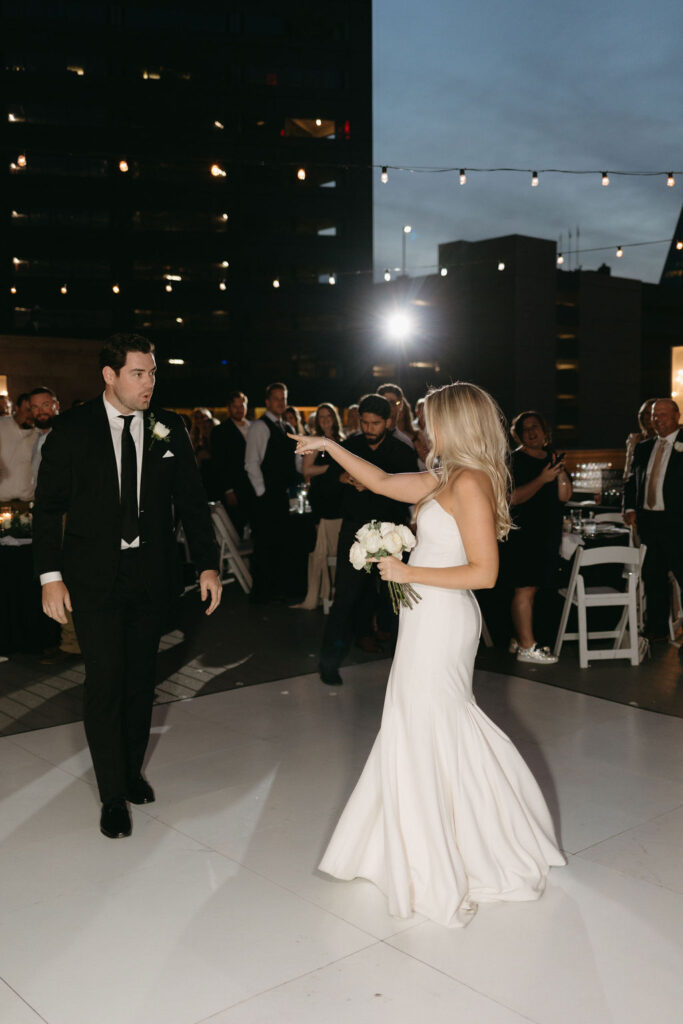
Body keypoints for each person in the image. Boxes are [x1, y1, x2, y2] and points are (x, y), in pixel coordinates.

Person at [293, 381, 565, 927]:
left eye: (428, 418)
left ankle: (460, 846)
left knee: (431, 723)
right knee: (418, 724)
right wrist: (329, 448)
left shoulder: (471, 482)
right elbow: (382, 479)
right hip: (425, 616)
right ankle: (432, 839)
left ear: (454, 423)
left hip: (444, 619)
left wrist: (406, 570)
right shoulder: (446, 476)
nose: (422, 427)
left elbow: (485, 573)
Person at [33, 333, 221, 840]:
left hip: (151, 578)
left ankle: (131, 771)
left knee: (140, 683)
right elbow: (47, 509)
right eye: (138, 373)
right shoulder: (71, 430)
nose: (149, 383)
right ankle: (112, 794)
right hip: (93, 580)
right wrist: (50, 577)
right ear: (109, 376)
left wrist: (207, 564)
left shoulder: (168, 428)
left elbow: (191, 499)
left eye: (153, 373)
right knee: (106, 682)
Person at [315, 394, 418, 683]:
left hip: (392, 532)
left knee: (398, 600)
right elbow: (323, 490)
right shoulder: (349, 447)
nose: (370, 428)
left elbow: (406, 495)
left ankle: (406, 665)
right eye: (365, 423)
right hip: (355, 530)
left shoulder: (402, 451)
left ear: (387, 422)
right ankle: (328, 664)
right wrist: (342, 479)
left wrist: (372, 487)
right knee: (345, 598)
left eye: (375, 423)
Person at [502, 411, 572, 663]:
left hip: (547, 534)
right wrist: (543, 479)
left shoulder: (552, 458)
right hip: (523, 534)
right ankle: (527, 647)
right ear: (518, 435)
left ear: (545, 431)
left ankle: (520, 638)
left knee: (539, 590)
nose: (531, 432)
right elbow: (511, 499)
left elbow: (564, 496)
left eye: (536, 427)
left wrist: (560, 472)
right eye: (525, 429)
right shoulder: (512, 460)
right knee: (525, 589)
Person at [623, 398, 683, 640]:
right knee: (653, 577)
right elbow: (631, 483)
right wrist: (629, 508)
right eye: (654, 416)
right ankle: (656, 630)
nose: (657, 419)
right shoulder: (644, 447)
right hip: (650, 522)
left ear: (677, 415)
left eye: (663, 415)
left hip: (678, 523)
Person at [244, 381, 298, 602]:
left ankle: (280, 589)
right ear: (267, 401)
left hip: (287, 496)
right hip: (268, 497)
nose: (280, 402)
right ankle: (263, 594)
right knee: (266, 546)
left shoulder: (288, 427)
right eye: (276, 398)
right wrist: (262, 494)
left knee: (283, 544)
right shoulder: (259, 426)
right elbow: (251, 463)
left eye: (283, 398)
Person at [292, 403, 345, 610]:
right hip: (323, 501)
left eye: (328, 416)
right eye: (320, 417)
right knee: (321, 551)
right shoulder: (314, 442)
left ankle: (334, 593)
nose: (324, 420)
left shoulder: (343, 440)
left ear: (334, 418)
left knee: (339, 551)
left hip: (341, 501)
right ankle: (319, 595)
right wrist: (332, 469)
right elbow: (307, 470)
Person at [210, 390, 253, 536]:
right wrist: (228, 490)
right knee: (237, 528)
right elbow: (219, 463)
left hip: (256, 486)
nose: (239, 409)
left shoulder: (255, 427)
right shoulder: (220, 431)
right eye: (235, 406)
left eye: (242, 405)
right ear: (229, 407)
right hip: (236, 487)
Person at [0, 392, 38, 509]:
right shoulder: (2, 425)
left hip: (29, 502)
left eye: (33, 410)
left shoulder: (39, 432)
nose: (31, 415)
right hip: (2, 501)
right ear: (16, 409)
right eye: (27, 410)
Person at [624, 398, 657, 481]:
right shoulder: (633, 439)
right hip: (635, 482)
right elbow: (628, 467)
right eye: (647, 413)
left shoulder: (663, 441)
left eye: (652, 414)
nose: (649, 417)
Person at [377, 382, 415, 447]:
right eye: (385, 402)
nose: (388, 406)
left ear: (401, 405)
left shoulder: (406, 443)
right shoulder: (364, 439)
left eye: (392, 402)